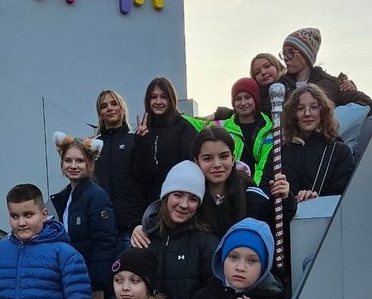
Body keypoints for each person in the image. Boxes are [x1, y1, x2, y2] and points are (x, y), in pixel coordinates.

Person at [129, 162, 218, 299]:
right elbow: (126, 281)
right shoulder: (144, 236)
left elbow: (213, 293)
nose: (184, 205)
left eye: (193, 199)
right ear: (166, 196)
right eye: (178, 195)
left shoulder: (206, 243)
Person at [50, 135, 120, 299]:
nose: (73, 165)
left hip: (87, 281)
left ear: (90, 163)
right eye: (68, 160)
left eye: (80, 161)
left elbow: (105, 243)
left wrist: (98, 285)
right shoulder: (67, 196)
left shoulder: (96, 196)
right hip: (71, 277)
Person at [265, 85, 356, 206]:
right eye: (300, 108)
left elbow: (343, 196)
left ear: (323, 111)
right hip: (288, 217)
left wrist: (316, 201)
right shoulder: (278, 153)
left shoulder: (339, 152)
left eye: (314, 107)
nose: (307, 113)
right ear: (293, 113)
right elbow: (264, 193)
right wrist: (284, 197)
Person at [192, 126, 274, 238]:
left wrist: (284, 199)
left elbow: (271, 222)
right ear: (197, 162)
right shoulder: (190, 197)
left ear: (233, 158)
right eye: (208, 158)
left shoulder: (250, 193)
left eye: (224, 156)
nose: (217, 164)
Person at [132, 76, 196, 205]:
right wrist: (142, 141)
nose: (158, 101)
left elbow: (191, 166)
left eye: (163, 97)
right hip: (149, 203)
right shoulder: (142, 131)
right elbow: (141, 174)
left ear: (171, 99)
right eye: (153, 97)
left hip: (178, 201)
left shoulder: (184, 128)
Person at [93, 89, 146, 236]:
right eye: (104, 106)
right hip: (102, 225)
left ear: (122, 109)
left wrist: (144, 143)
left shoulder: (134, 140)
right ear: (99, 114)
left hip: (132, 226)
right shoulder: (93, 145)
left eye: (114, 103)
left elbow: (146, 176)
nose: (110, 108)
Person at [281, 29, 372, 110]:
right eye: (283, 53)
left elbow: (365, 102)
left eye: (291, 52)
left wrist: (333, 120)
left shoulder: (331, 85)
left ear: (306, 55)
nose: (285, 58)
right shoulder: (279, 85)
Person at [226, 78, 273, 179]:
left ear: (256, 99)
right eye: (238, 99)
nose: (243, 103)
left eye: (247, 97)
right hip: (231, 185)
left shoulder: (269, 129)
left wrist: (255, 186)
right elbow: (194, 123)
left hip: (259, 184)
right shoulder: (223, 126)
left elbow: (264, 164)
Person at [250, 52, 287, 116]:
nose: (263, 72)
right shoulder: (254, 103)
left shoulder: (293, 86)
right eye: (257, 72)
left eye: (267, 66)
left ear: (277, 66)